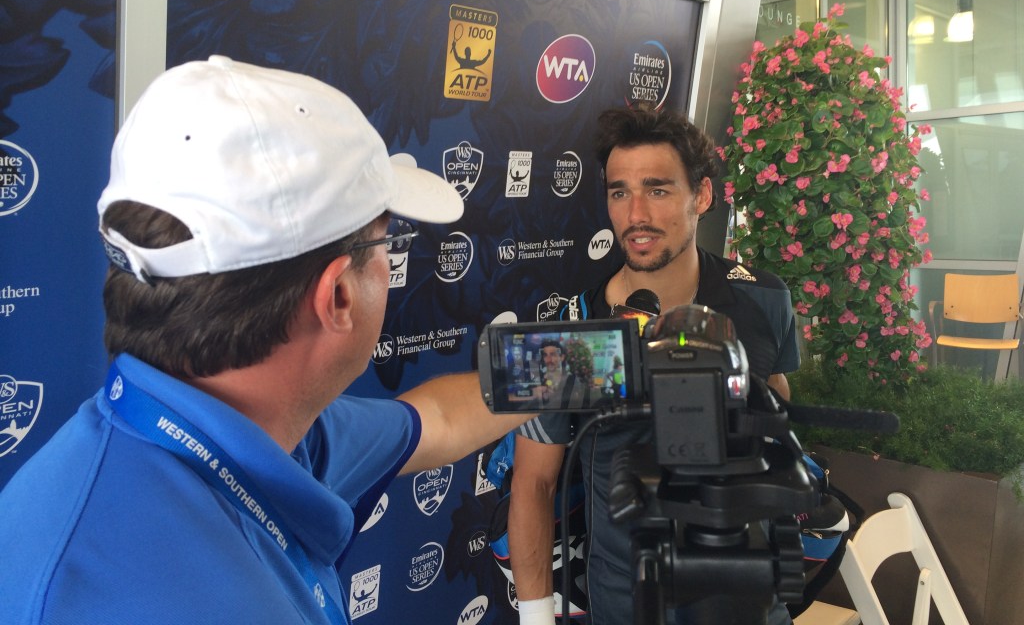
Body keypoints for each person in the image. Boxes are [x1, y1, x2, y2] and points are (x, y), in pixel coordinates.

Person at [0, 56, 532, 625]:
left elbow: (441, 420)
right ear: (338, 298)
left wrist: (603, 359)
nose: (391, 261)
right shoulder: (161, 601)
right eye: (387, 240)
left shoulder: (261, 430)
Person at [508, 105, 799, 625]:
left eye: (658, 190)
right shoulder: (573, 327)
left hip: (750, 602)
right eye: (619, 192)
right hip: (626, 604)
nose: (636, 214)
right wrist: (533, 616)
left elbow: (779, 411)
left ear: (702, 196)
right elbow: (534, 485)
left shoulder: (765, 301)